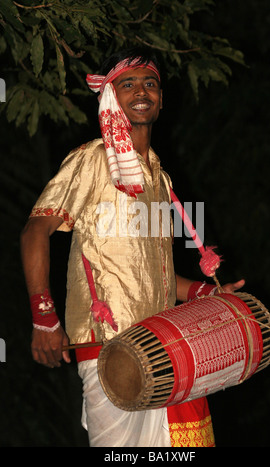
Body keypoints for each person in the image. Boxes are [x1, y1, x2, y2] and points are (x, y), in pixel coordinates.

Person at [20, 47, 245, 447]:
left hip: (164, 345)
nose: (142, 91)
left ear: (160, 99)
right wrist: (44, 317)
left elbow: (155, 271)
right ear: (110, 96)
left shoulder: (160, 178)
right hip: (109, 348)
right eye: (128, 84)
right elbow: (35, 233)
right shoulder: (93, 160)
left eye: (151, 83)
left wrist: (208, 293)